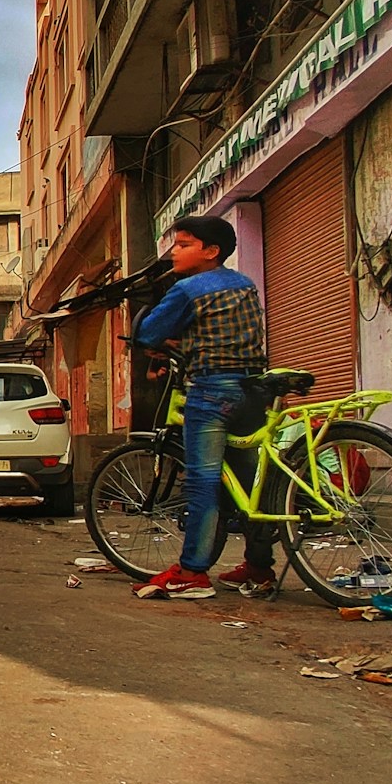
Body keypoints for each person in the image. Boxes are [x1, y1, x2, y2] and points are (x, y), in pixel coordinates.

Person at [131, 215, 274, 599]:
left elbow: (148, 332)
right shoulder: (244, 283)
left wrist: (168, 342)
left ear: (211, 252)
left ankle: (192, 572)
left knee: (203, 481)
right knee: (250, 485)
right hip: (253, 390)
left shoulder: (189, 288)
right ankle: (259, 566)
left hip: (211, 390)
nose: (174, 252)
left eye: (184, 245)